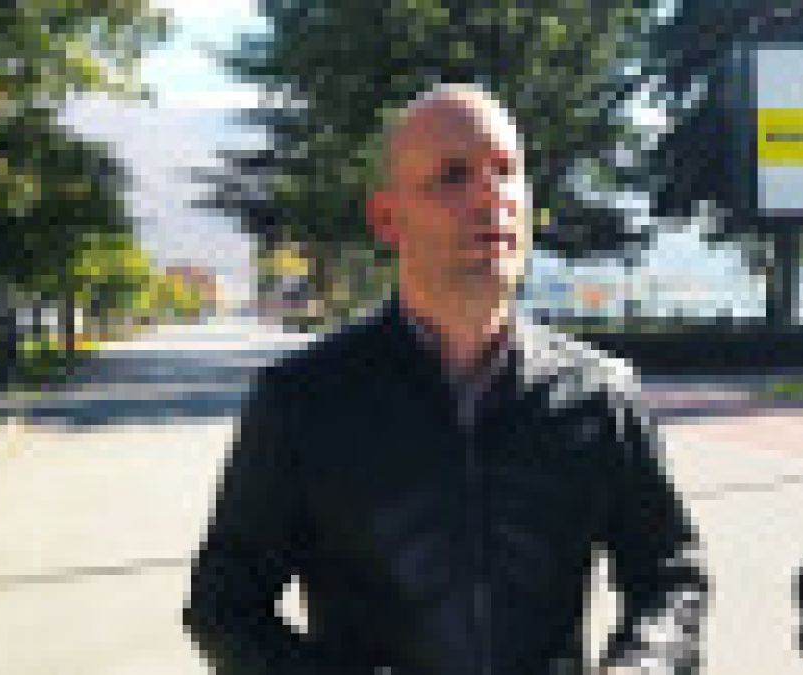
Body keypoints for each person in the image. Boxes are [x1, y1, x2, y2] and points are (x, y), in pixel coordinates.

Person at [183, 83, 709, 675]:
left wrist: (642, 666)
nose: (490, 195)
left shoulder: (601, 395)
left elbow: (671, 578)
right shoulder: (302, 402)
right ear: (388, 219)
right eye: (454, 175)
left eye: (506, 171)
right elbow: (224, 606)